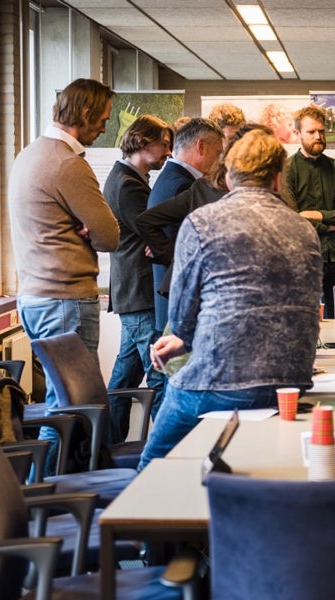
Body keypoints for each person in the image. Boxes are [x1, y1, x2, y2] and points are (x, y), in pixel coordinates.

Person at [138, 129, 322, 470]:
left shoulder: (202, 223)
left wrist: (183, 340)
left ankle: (149, 514)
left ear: (226, 176)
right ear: (278, 179)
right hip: (291, 384)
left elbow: (179, 322)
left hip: (221, 381)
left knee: (153, 459)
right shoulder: (304, 229)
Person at [8, 78, 120, 471]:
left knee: (65, 402)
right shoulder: (69, 164)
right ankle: (46, 490)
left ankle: (52, 487)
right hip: (66, 300)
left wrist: (85, 226)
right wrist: (90, 230)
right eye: (103, 119)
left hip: (36, 297)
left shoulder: (29, 155)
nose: (105, 128)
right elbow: (109, 235)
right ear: (86, 114)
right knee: (70, 406)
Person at [103, 114, 173, 444]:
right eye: (164, 145)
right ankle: (163, 449)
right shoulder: (128, 184)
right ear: (144, 142)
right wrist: (157, 242)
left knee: (123, 381)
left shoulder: (130, 179)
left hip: (134, 292)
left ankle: (109, 447)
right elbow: (151, 227)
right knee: (159, 376)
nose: (168, 153)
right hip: (140, 291)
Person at [136, 124, 262, 298]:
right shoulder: (190, 185)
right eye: (218, 153)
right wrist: (176, 255)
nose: (219, 160)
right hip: (195, 293)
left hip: (186, 295)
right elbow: (150, 222)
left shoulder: (192, 184)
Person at [145, 117, 223, 332]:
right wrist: (168, 253)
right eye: (217, 153)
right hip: (182, 308)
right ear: (201, 146)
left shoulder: (171, 178)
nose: (218, 161)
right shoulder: (185, 186)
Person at [281, 106, 335, 319]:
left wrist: (313, 215)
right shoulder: (287, 168)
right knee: (302, 321)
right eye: (311, 132)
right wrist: (330, 224)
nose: (318, 136)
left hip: (334, 259)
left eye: (321, 131)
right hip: (302, 258)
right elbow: (292, 219)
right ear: (298, 134)